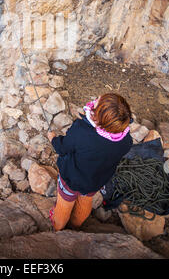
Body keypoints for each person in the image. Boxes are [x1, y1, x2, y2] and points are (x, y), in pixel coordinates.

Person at [47, 93, 133, 231]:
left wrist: (53, 139)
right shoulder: (126, 140)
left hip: (72, 179)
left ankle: (58, 227)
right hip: (95, 181)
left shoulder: (81, 130)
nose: (96, 98)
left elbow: (63, 148)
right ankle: (76, 225)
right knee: (85, 201)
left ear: (98, 120)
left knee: (65, 203)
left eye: (98, 102)